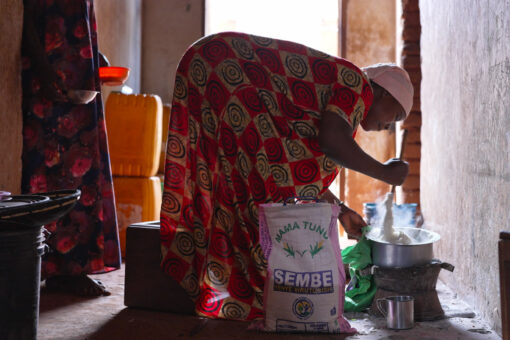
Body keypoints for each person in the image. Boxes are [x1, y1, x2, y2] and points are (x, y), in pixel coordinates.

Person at [160, 31, 412, 319]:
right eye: (396, 115)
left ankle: (233, 291)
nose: (389, 125)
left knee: (253, 189)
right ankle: (248, 295)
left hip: (213, 63)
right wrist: (384, 173)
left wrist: (340, 210)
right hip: (224, 68)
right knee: (260, 199)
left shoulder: (341, 102)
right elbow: (333, 143)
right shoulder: (355, 83)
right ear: (381, 92)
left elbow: (298, 169)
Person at [21, 0, 121, 296]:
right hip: (49, 81)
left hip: (77, 80)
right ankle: (58, 269)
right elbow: (24, 17)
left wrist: (94, 57)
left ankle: (74, 268)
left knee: (82, 175)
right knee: (53, 173)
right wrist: (42, 67)